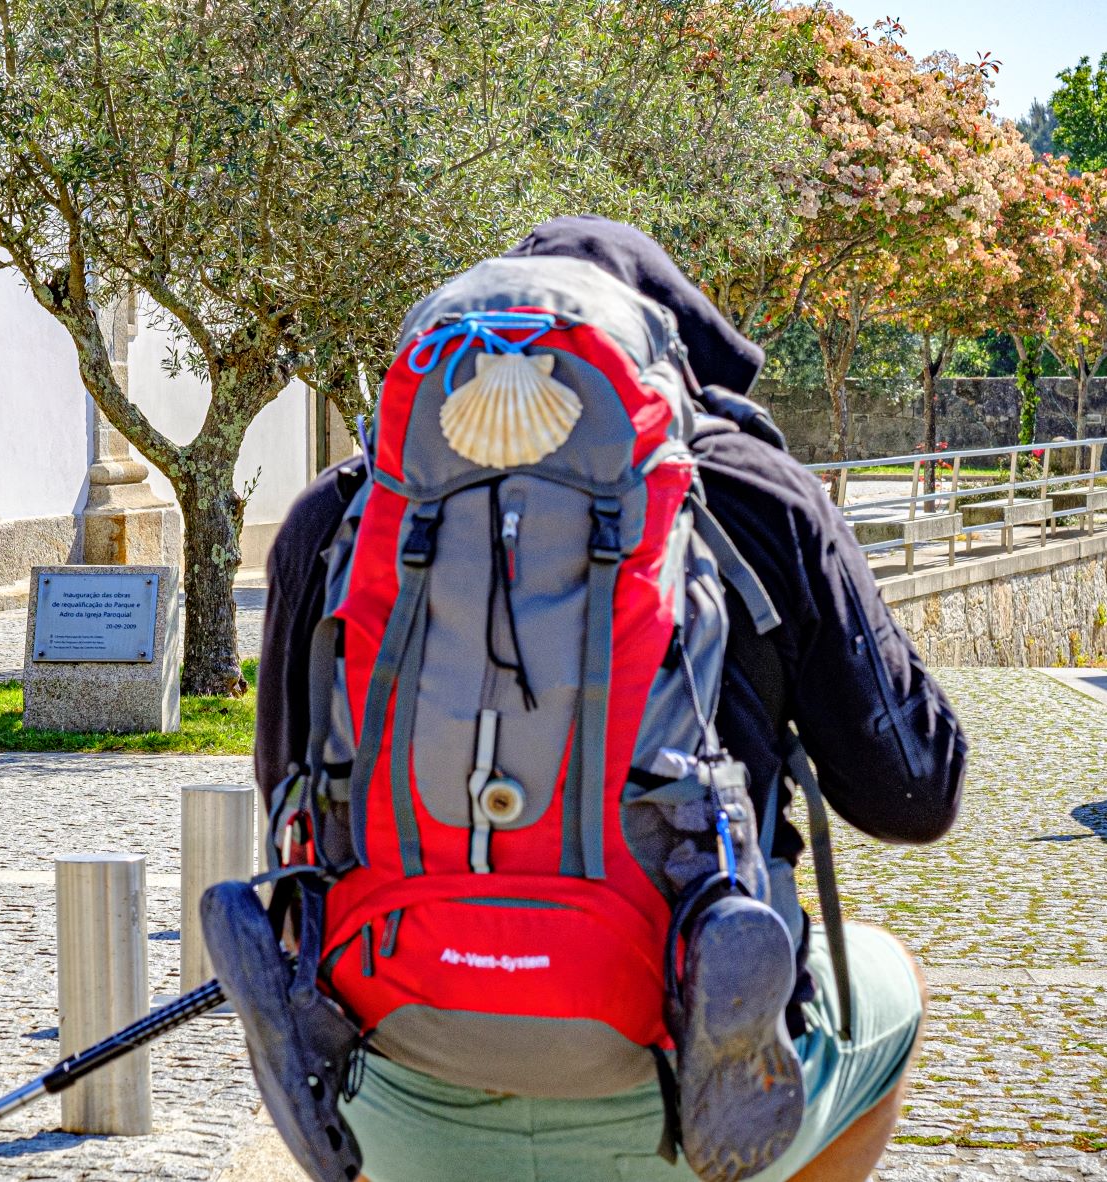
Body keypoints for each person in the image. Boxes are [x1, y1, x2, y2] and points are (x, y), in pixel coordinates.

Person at [253, 216, 966, 1182]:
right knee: (893, 987)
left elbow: (289, 799)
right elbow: (913, 798)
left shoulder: (339, 514)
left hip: (397, 1092)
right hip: (684, 1108)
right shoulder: (757, 492)